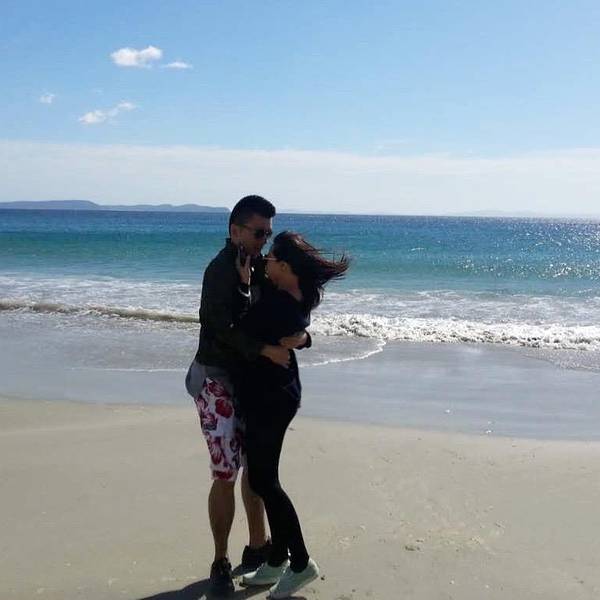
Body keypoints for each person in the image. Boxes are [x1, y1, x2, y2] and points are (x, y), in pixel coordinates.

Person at [185, 196, 310, 596]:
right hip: (217, 380)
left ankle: (258, 547)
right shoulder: (219, 271)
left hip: (252, 381)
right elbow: (221, 328)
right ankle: (220, 560)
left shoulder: (260, 266)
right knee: (226, 472)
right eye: (258, 234)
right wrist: (265, 350)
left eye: (268, 235)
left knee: (257, 468)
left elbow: (285, 311)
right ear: (235, 230)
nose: (264, 242)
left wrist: (302, 336)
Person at [238, 231, 349, 599]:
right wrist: (303, 338)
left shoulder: (280, 305)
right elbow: (297, 331)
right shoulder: (294, 294)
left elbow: (240, 330)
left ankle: (300, 563)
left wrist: (244, 285)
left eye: (270, 258)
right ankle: (276, 560)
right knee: (263, 478)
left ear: (285, 267)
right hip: (278, 392)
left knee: (265, 481)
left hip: (271, 397)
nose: (265, 262)